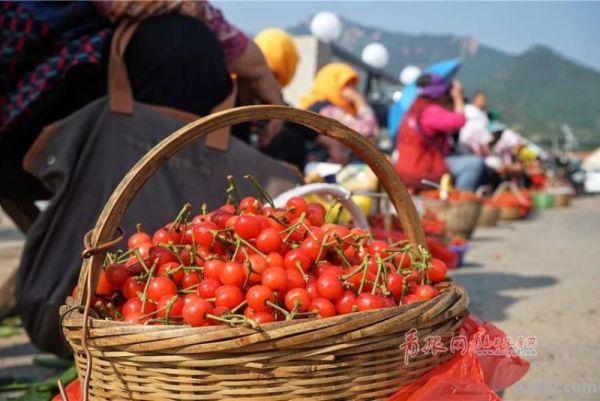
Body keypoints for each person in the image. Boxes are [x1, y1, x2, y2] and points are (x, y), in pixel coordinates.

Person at [0, 1, 284, 224]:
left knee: (260, 123)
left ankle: (165, 240)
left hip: (58, 108)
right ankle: (123, 248)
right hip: (22, 121)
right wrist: (247, 58)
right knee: (184, 45)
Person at [394, 74, 485, 191]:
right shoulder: (429, 111)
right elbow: (459, 121)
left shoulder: (413, 110)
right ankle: (459, 202)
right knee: (474, 164)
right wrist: (458, 97)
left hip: (406, 166)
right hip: (423, 167)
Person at [300, 62, 379, 164]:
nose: (352, 90)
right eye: (346, 85)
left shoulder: (316, 105)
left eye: (353, 85)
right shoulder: (327, 110)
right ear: (332, 83)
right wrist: (359, 101)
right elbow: (368, 132)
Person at [459, 90, 493, 156]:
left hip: (480, 145)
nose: (482, 101)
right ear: (474, 99)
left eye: (483, 99)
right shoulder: (467, 108)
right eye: (480, 99)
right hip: (465, 141)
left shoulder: (484, 115)